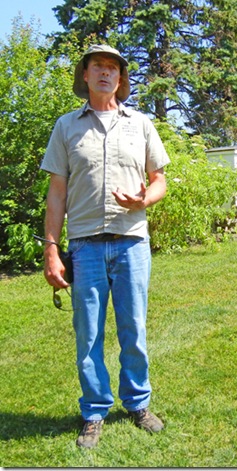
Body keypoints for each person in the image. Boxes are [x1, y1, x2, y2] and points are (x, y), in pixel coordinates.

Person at [41, 44, 170, 449]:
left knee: (134, 329)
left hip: (132, 242)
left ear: (121, 79)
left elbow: (160, 179)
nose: (105, 73)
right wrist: (51, 249)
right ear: (85, 75)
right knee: (89, 336)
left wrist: (145, 199)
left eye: (112, 68)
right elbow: (56, 192)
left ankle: (137, 403)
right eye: (97, 66)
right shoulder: (66, 127)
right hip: (84, 247)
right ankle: (94, 411)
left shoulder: (141, 124)